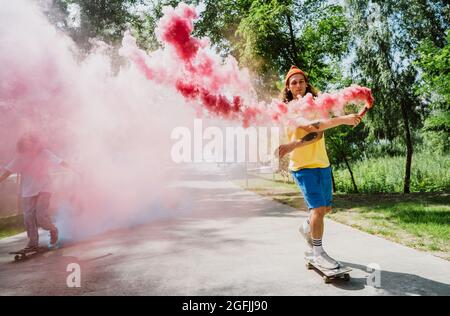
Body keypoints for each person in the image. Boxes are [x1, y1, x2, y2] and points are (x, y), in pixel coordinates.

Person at [277, 66, 362, 270]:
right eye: (293, 82)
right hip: (302, 166)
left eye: (301, 81)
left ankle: (306, 227)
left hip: (322, 163)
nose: (298, 85)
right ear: (288, 88)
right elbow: (313, 127)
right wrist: (343, 120)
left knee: (325, 209)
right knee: (317, 209)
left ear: (306, 84)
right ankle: (318, 253)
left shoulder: (314, 105)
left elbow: (318, 133)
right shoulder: (288, 109)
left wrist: (292, 145)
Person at [0, 132, 73, 251]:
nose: (26, 142)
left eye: (29, 140)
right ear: (21, 143)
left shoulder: (44, 153)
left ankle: (53, 229)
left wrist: (74, 169)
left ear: (34, 141)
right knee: (28, 218)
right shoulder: (20, 157)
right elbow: (8, 171)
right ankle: (32, 243)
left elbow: (59, 161)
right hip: (28, 190)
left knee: (40, 216)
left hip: (45, 188)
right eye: (24, 140)